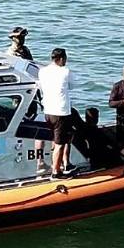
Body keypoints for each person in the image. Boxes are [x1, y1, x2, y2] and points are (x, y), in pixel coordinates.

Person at [37, 48, 75, 178]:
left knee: (55, 138)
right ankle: (56, 171)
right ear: (62, 59)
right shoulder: (65, 71)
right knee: (60, 144)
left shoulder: (42, 71)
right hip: (61, 112)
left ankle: (59, 165)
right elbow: (72, 85)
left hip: (48, 110)